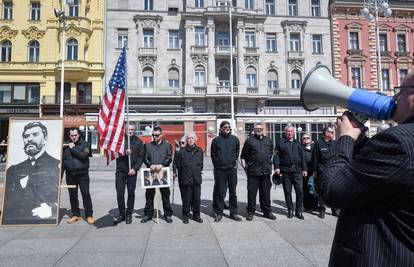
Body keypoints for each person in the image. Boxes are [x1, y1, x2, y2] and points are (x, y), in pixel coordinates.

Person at [320, 71, 414, 266]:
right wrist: (361, 142)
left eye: (400, 91)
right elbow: (383, 175)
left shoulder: (397, 141)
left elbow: (332, 191)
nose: (395, 97)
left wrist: (344, 138)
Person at [2, 122, 60, 225]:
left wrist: (52, 208)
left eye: (35, 135)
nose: (29, 139)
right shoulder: (13, 169)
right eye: (26, 136)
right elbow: (7, 200)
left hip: (46, 221)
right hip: (15, 220)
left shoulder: (56, 165)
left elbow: (58, 193)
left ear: (45, 139)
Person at [241, 122, 276, 221]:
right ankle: (250, 212)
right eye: (257, 128)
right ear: (254, 130)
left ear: (263, 129)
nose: (259, 130)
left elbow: (271, 154)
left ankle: (267, 211)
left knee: (266, 194)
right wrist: (246, 168)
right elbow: (243, 156)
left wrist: (270, 165)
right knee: (252, 194)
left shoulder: (268, 141)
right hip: (253, 173)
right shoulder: (249, 141)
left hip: (265, 172)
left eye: (260, 128)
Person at [141, 126, 174, 223]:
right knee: (149, 195)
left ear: (161, 135)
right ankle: (148, 214)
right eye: (153, 135)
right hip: (151, 173)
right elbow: (145, 157)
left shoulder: (167, 145)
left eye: (156, 135)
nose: (154, 137)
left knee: (165, 195)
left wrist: (162, 165)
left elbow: (169, 157)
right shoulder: (148, 145)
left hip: (162, 172)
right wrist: (149, 164)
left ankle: (168, 214)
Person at [113, 124, 144, 225]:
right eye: (128, 129)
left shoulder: (138, 142)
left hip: (132, 171)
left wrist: (135, 169)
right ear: (124, 130)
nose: (130, 131)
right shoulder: (119, 141)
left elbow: (141, 157)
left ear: (134, 130)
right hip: (120, 171)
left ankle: (129, 214)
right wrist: (124, 152)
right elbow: (114, 153)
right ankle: (122, 213)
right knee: (120, 193)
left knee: (131, 193)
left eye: (132, 129)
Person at [211, 121, 241, 222]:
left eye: (228, 127)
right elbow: (213, 154)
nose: (227, 128)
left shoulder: (235, 139)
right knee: (220, 192)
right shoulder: (216, 140)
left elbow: (237, 152)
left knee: (233, 192)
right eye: (225, 127)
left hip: (231, 170)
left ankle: (233, 213)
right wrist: (218, 164)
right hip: (220, 170)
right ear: (220, 129)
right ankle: (219, 212)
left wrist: (233, 161)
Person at [275, 126, 307, 220]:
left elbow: (302, 157)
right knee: (287, 191)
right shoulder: (280, 142)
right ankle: (290, 210)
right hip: (286, 171)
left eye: (291, 131)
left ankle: (299, 211)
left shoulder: (298, 143)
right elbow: (276, 155)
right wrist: (277, 167)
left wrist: (305, 169)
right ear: (285, 132)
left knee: (300, 191)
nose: (289, 133)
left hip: (297, 171)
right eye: (288, 131)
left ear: (294, 132)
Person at [63, 128, 94, 225]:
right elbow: (63, 161)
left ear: (79, 135)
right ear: (69, 136)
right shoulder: (65, 146)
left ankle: (89, 215)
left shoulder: (85, 144)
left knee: (85, 195)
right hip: (70, 175)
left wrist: (73, 149)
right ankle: (75, 214)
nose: (74, 137)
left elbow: (84, 156)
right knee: (72, 196)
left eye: (75, 135)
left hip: (82, 175)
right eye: (72, 135)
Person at [174, 132, 204, 224]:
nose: (190, 140)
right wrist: (175, 172)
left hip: (196, 179)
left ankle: (196, 215)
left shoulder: (199, 150)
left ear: (195, 140)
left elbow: (201, 164)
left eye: (192, 138)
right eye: (189, 138)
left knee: (196, 199)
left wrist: (198, 171)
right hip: (185, 178)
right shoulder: (181, 151)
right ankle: (186, 216)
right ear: (186, 140)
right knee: (186, 199)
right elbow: (176, 163)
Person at [312, 126, 339, 218]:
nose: (332, 134)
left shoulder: (335, 143)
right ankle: (322, 210)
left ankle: (334, 210)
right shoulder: (319, 143)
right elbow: (315, 158)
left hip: (333, 170)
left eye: (333, 132)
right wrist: (314, 171)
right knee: (322, 190)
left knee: (333, 190)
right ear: (325, 133)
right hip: (322, 170)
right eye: (330, 132)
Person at [301, 134, 317, 211]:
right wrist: (304, 169)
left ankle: (315, 205)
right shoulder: (300, 149)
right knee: (306, 189)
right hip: (305, 171)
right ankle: (307, 206)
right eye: (304, 138)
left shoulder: (315, 148)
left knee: (315, 188)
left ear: (310, 139)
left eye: (307, 138)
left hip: (314, 171)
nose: (306, 139)